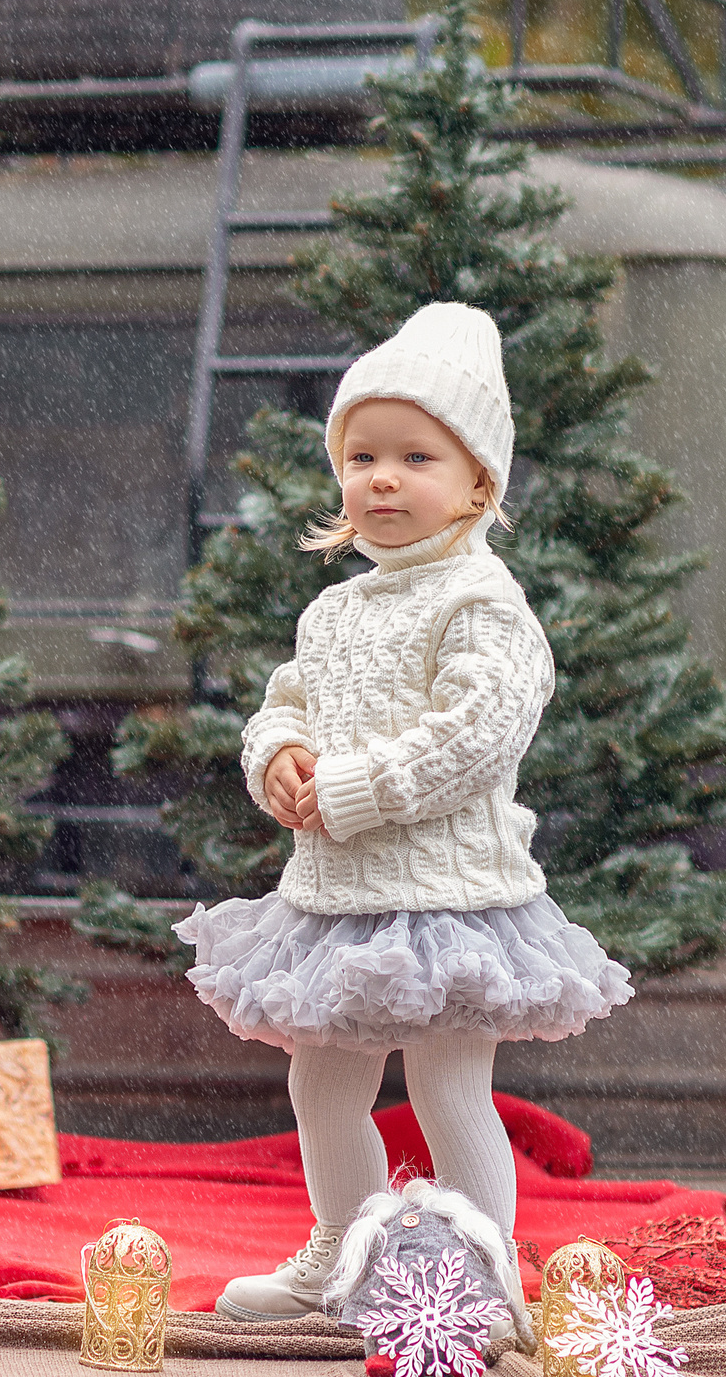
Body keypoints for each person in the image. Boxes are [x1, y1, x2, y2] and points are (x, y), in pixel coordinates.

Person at [176, 300, 634, 1324]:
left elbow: (475, 734)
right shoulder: (333, 609)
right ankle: (340, 1255)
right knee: (322, 1089)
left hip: (450, 898)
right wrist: (280, 757)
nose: (382, 478)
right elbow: (285, 701)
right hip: (336, 897)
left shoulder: (482, 603)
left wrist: (348, 790)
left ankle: (483, 1276)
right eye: (361, 457)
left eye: (416, 457)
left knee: (446, 1087)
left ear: (477, 481)